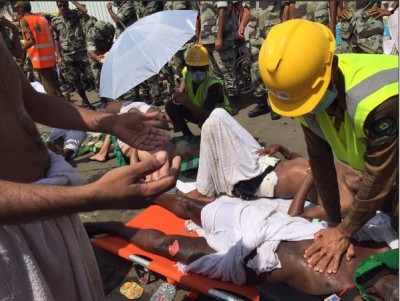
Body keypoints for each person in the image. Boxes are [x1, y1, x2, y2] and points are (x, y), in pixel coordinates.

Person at [0, 33, 180, 300]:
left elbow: (27, 99)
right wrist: (92, 196)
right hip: (12, 235)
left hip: (55, 204)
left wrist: (108, 123)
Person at [258, 19, 398, 274]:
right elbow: (320, 162)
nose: (308, 111)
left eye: (309, 102)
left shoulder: (377, 99)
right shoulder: (305, 94)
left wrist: (344, 232)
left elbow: (381, 174)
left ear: (332, 66)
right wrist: (334, 222)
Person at [84, 193, 398, 299]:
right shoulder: (385, 247)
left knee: (171, 247)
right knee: (192, 206)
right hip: (265, 223)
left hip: (246, 258)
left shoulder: (350, 292)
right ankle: (144, 195)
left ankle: (109, 227)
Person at [191, 108, 361, 221]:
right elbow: (307, 162)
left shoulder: (345, 201)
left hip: (258, 179)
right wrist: (283, 149)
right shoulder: (350, 169)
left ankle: (204, 189)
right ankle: (206, 182)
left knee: (212, 125)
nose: (364, 175)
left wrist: (310, 178)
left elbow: (294, 215)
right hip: (266, 161)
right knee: (219, 113)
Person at [164, 44, 232, 136]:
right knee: (171, 105)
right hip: (199, 111)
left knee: (205, 122)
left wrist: (187, 102)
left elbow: (207, 114)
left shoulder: (214, 85)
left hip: (219, 119)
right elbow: (185, 91)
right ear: (188, 68)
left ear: (207, 68)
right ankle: (187, 136)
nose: (197, 72)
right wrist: (179, 95)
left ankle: (215, 137)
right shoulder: (187, 75)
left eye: (201, 69)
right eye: (194, 69)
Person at [238, 1, 283, 120]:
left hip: (272, 32)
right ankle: (262, 103)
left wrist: (285, 27)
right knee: (255, 68)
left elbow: (287, 6)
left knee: (273, 68)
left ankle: (276, 105)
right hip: (255, 33)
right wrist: (242, 24)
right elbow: (248, 8)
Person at [15, 1, 65, 99]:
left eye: (18, 8)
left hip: (39, 59)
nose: (17, 11)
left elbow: (31, 41)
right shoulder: (41, 18)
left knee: (49, 87)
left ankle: (57, 109)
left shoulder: (24, 20)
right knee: (55, 85)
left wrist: (18, 52)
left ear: (22, 8)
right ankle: (65, 105)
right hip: (50, 56)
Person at [197, 1, 240, 116]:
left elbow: (222, 11)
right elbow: (201, 15)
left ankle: (233, 101)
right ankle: (223, 101)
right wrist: (200, 37)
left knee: (227, 71)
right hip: (207, 38)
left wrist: (219, 37)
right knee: (215, 74)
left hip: (221, 38)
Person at [52, 1, 95, 109]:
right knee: (75, 80)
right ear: (57, 6)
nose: (62, 8)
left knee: (91, 76)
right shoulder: (55, 21)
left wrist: (73, 1)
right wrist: (59, 56)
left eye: (64, 5)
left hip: (81, 52)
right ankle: (86, 101)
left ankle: (104, 99)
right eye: (60, 5)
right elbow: (56, 39)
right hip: (68, 55)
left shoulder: (75, 14)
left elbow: (84, 11)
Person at [86, 20, 115, 107]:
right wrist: (98, 58)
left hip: (106, 52)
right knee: (98, 77)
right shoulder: (91, 34)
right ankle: (103, 99)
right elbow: (91, 51)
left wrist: (110, 47)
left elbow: (112, 33)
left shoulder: (109, 27)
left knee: (111, 75)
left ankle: (114, 96)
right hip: (96, 56)